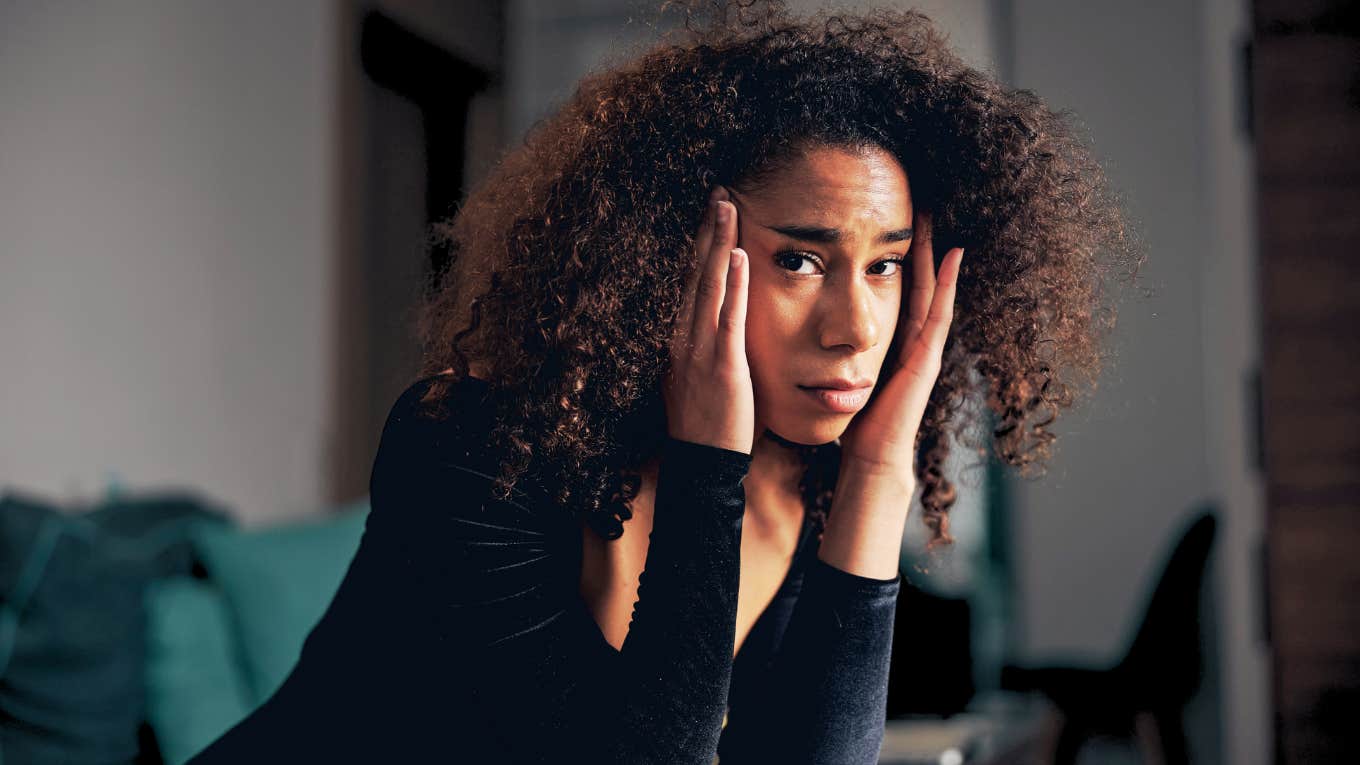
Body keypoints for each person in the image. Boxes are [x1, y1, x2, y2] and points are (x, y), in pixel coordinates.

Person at [189, 1, 1140, 762]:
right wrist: (705, 467)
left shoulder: (809, 492)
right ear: (675, 255)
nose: (855, 327)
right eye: (800, 262)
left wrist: (879, 479)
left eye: (885, 264)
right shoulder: (470, 447)